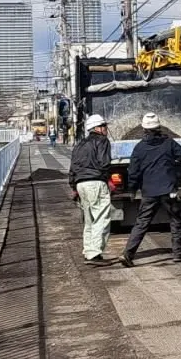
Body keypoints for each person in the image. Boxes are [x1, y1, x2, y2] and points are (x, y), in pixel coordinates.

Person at [120, 111, 181, 267]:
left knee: (141, 223)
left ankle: (128, 254)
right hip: (168, 190)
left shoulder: (139, 148)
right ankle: (177, 254)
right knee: (175, 220)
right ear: (159, 127)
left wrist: (132, 190)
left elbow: (133, 171)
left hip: (149, 192)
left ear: (143, 129)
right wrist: (178, 169)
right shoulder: (169, 143)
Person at [68, 113, 113, 264]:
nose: (106, 129)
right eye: (104, 126)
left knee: (89, 219)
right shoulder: (102, 141)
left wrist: (73, 186)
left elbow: (73, 167)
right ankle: (94, 253)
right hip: (96, 182)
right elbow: (104, 162)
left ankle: (88, 251)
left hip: (81, 184)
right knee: (101, 218)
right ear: (97, 128)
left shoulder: (79, 144)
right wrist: (108, 179)